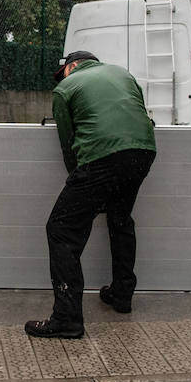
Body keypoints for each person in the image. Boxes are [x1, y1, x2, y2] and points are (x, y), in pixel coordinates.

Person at [26, 50, 157, 339]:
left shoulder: (66, 88)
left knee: (61, 229)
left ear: (72, 66)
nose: (61, 78)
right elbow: (140, 115)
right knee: (120, 218)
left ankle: (67, 318)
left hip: (102, 156)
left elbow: (68, 141)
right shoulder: (123, 74)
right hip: (143, 151)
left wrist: (79, 180)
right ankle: (122, 294)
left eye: (62, 72)